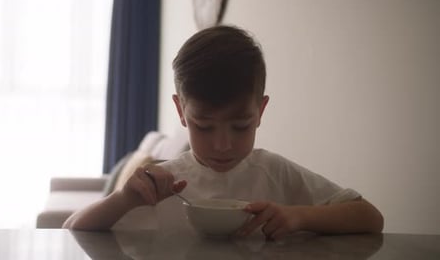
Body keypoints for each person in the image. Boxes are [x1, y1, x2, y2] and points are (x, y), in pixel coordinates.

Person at [63, 25, 384, 239]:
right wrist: (123, 199)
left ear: (260, 111)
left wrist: (299, 216)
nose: (222, 144)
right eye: (204, 125)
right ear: (181, 112)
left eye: (240, 125)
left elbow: (370, 218)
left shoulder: (275, 173)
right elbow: (70, 231)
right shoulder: (164, 183)